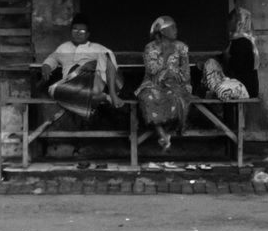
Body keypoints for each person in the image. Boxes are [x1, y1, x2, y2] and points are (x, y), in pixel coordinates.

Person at [40, 13, 123, 119]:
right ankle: (103, 98)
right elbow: (52, 58)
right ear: (71, 31)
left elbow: (110, 63)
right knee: (53, 91)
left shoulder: (96, 48)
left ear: (88, 34)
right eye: (75, 30)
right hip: (71, 85)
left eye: (82, 31)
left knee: (106, 56)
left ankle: (111, 94)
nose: (78, 33)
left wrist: (90, 65)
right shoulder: (64, 48)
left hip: (92, 82)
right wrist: (46, 66)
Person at [136, 15, 191, 150]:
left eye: (175, 27)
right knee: (148, 98)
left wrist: (178, 78)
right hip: (153, 84)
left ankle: (164, 133)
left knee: (175, 99)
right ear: (162, 31)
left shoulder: (181, 47)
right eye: (172, 27)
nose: (175, 30)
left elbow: (186, 72)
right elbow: (151, 70)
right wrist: (166, 56)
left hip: (176, 85)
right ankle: (162, 134)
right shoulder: (150, 48)